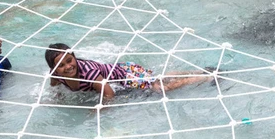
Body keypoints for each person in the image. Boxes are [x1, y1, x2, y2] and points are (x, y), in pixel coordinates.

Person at [45, 43, 213, 102]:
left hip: (126, 74)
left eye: (70, 60)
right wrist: (57, 98)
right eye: (61, 65)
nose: (68, 66)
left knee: (159, 87)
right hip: (120, 73)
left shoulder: (89, 73)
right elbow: (54, 86)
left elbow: (109, 95)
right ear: (54, 69)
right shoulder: (57, 77)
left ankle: (205, 76)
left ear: (74, 57)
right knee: (159, 80)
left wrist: (99, 110)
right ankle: (199, 71)